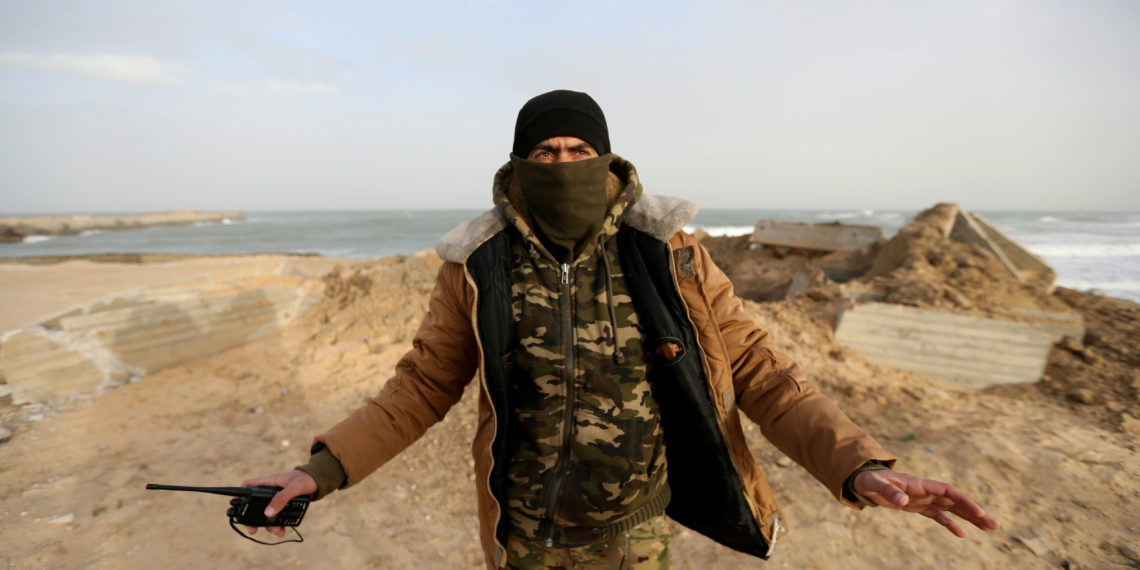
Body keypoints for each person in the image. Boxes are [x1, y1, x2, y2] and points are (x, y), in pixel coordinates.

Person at [244, 89, 999, 568]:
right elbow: (420, 387)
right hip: (524, 539)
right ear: (517, 165)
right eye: (544, 153)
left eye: (578, 151)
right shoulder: (478, 264)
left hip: (637, 535)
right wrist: (322, 469)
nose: (562, 164)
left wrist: (859, 467)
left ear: (606, 158)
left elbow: (764, 374)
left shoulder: (667, 253)